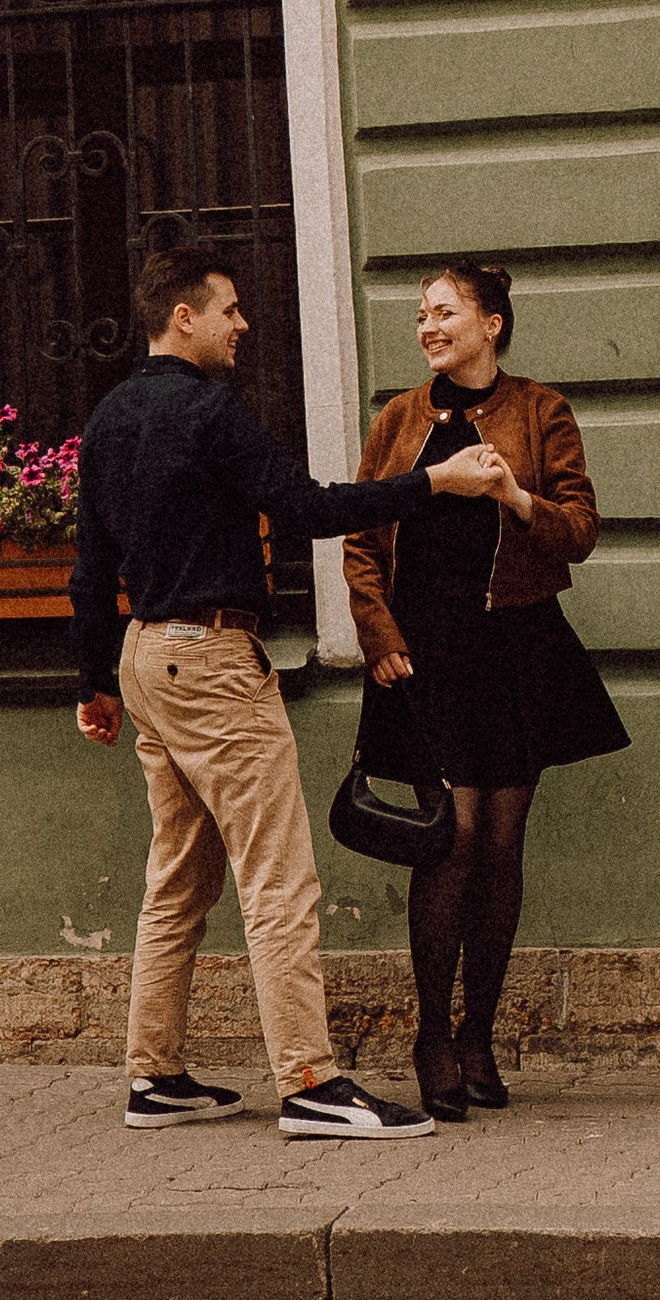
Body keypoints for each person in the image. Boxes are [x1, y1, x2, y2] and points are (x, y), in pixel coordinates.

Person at [73, 241, 495, 1139]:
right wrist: (436, 480)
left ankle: (154, 1078)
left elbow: (89, 570)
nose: (243, 325)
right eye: (228, 309)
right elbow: (304, 509)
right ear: (183, 318)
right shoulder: (212, 412)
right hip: (215, 660)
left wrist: (93, 684)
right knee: (278, 879)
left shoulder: (107, 418)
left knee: (178, 879)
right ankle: (309, 1082)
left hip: (144, 659)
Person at [343, 260, 629, 1121]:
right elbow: (361, 538)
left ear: (490, 325)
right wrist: (379, 634)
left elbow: (579, 531)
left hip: (515, 645)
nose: (428, 329)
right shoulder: (399, 415)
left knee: (503, 844)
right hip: (426, 655)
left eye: (444, 313)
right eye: (422, 317)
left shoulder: (541, 411)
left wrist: (512, 491)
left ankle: (479, 1036)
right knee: (450, 839)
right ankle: (432, 1035)